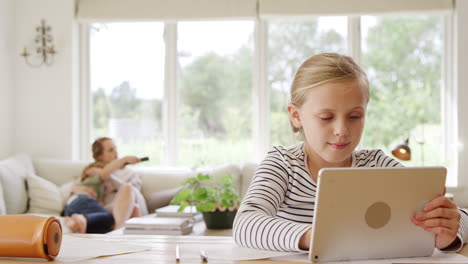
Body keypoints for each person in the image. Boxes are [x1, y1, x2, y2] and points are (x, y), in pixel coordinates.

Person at [233, 53, 468, 252]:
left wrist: (448, 234)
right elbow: (245, 225)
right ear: (296, 116)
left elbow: (461, 219)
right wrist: (314, 237)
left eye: (354, 116)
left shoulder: (377, 165)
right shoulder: (282, 164)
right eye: (326, 117)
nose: (342, 130)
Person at [64, 137, 146, 233]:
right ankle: (116, 230)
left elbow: (133, 193)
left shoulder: (130, 174)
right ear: (100, 156)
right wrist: (77, 188)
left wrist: (111, 178)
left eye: (115, 148)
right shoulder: (94, 170)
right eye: (111, 150)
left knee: (131, 203)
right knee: (108, 219)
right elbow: (68, 188)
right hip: (95, 208)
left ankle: (80, 221)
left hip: (118, 210)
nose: (115, 152)